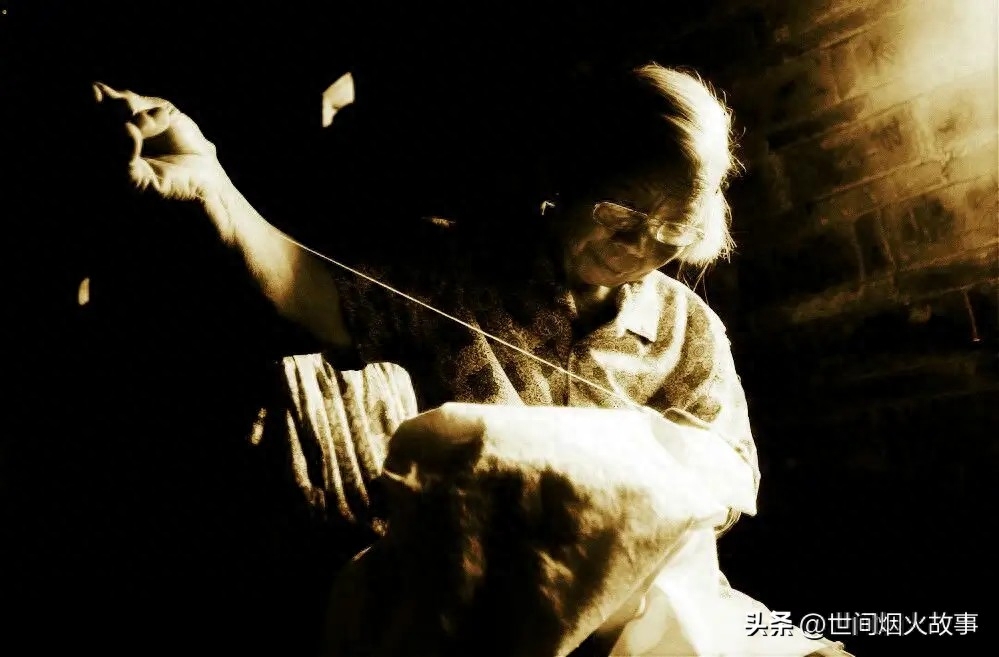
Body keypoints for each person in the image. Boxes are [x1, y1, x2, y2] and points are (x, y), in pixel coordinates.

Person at [89, 65, 848, 656]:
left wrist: (628, 486)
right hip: (481, 608)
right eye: (621, 217)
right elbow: (306, 286)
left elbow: (727, 481)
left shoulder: (688, 327)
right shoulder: (460, 267)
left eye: (671, 233)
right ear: (571, 179)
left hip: (649, 610)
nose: (640, 247)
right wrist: (213, 185)